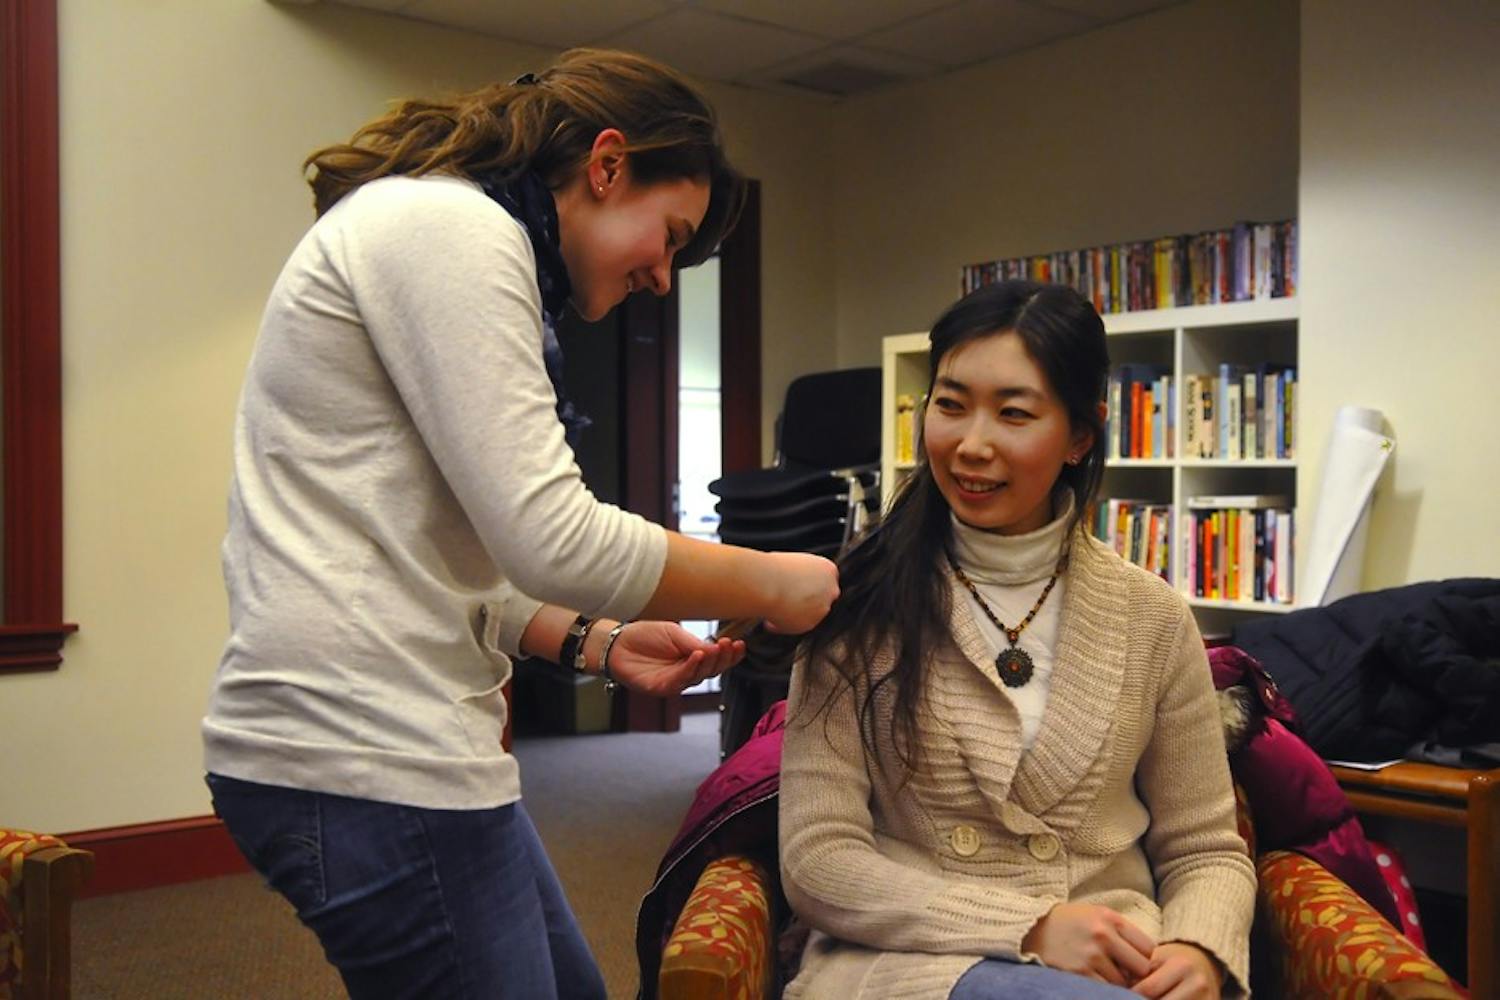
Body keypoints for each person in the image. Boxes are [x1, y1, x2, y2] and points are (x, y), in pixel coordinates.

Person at [202, 48, 839, 1000]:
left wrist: (595, 643)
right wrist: (781, 580)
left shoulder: (445, 230)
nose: (665, 277)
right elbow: (553, 536)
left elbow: (446, 557)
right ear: (607, 163)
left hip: (386, 746)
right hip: (366, 755)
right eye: (669, 236)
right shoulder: (451, 226)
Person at [777, 280, 1254, 1000]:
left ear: (1081, 436)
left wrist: (1199, 945)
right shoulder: (856, 608)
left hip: (1116, 960)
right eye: (950, 404)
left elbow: (1205, 846)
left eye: (1014, 413)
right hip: (907, 964)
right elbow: (818, 859)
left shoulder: (1151, 617)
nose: (971, 444)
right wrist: (1029, 926)